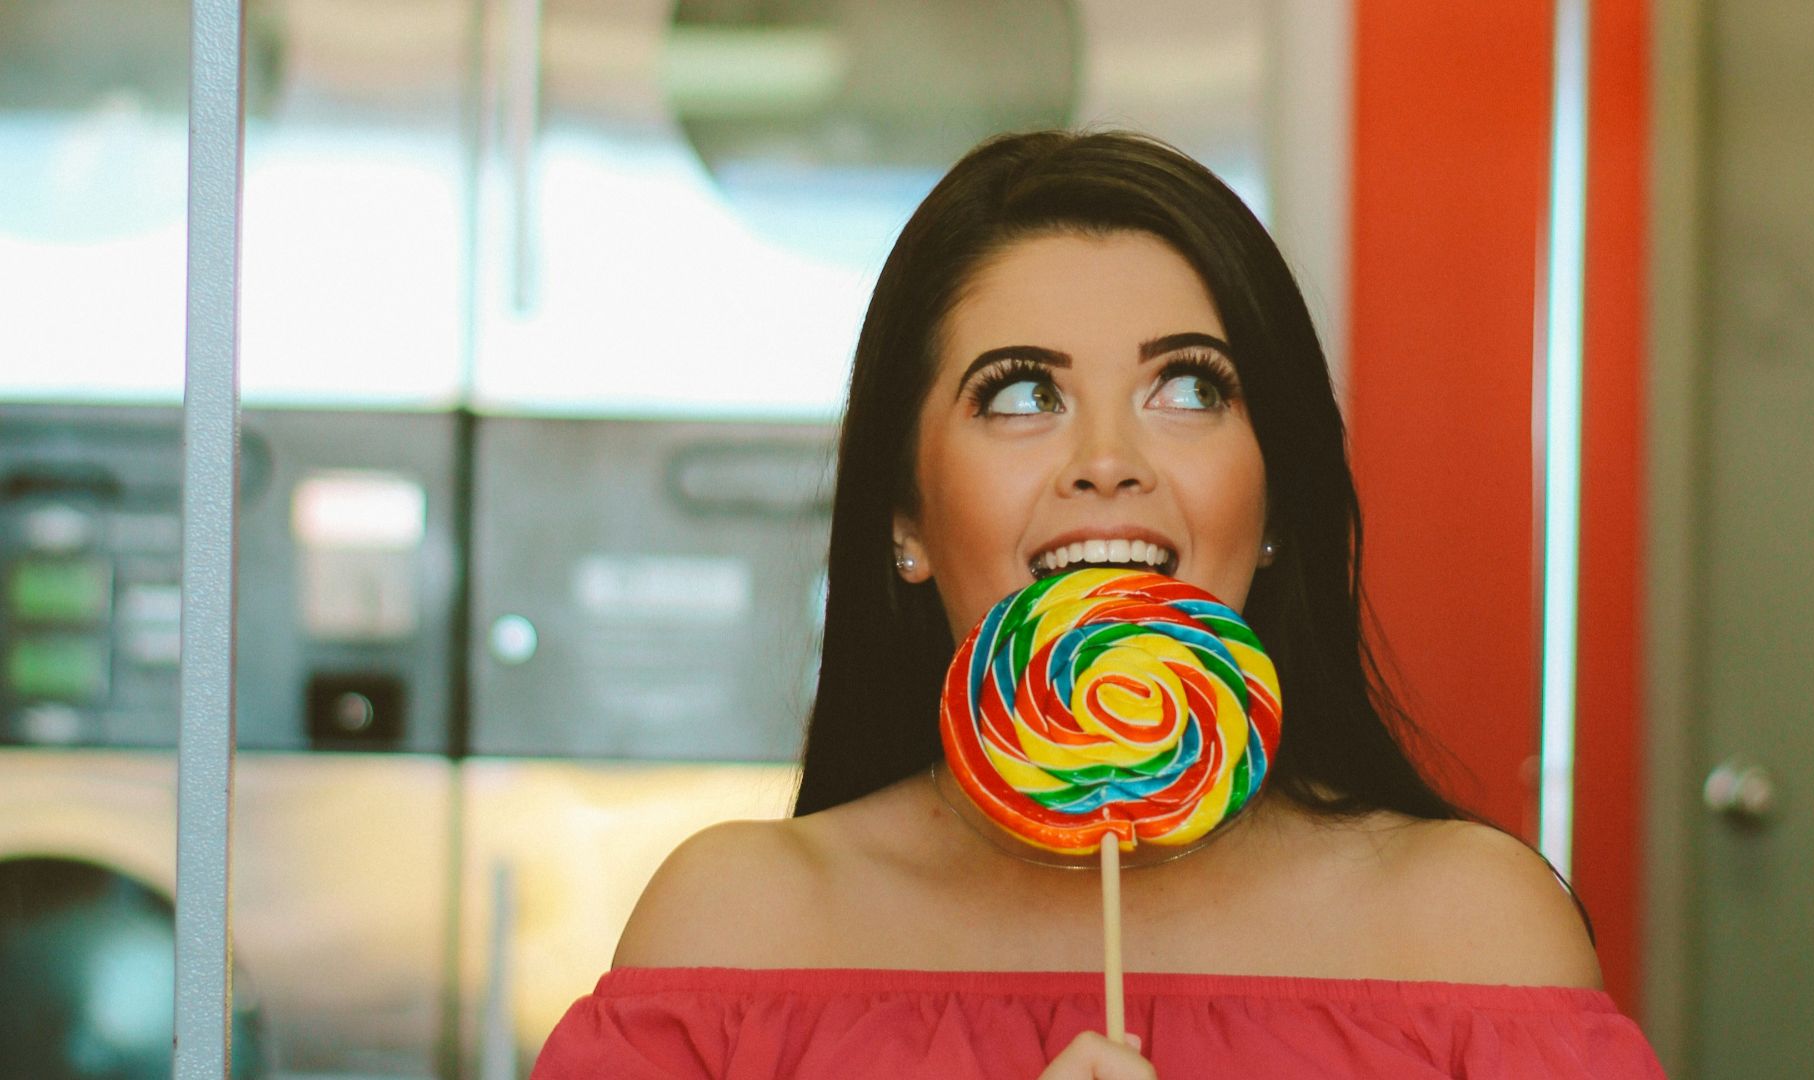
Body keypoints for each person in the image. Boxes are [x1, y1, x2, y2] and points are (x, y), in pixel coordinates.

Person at [529, 129, 1666, 1079]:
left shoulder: (1469, 932)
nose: (1108, 460)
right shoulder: (736, 930)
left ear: (1275, 504)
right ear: (905, 518)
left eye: (1189, 388)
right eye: (1022, 394)